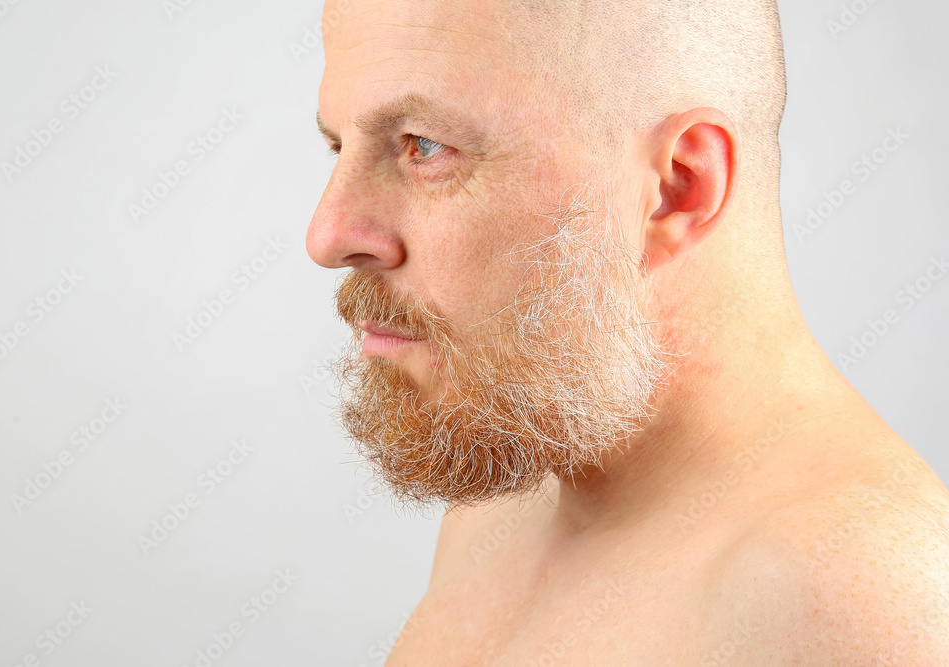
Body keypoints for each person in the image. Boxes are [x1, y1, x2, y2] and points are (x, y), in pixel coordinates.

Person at [305, 0, 949, 663]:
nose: (326, 235)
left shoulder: (862, 605)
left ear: (677, 188)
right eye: (337, 144)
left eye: (424, 145)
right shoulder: (505, 503)